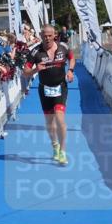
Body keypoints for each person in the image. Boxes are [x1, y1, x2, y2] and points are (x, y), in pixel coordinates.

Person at [23, 24, 76, 165]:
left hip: (60, 87)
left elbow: (72, 57)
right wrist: (35, 70)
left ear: (55, 35)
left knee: (60, 120)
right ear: (40, 36)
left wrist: (70, 70)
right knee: (50, 122)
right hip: (44, 89)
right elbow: (25, 72)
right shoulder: (35, 52)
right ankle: (55, 146)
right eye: (44, 36)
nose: (47, 38)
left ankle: (63, 152)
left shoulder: (63, 47)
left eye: (49, 35)